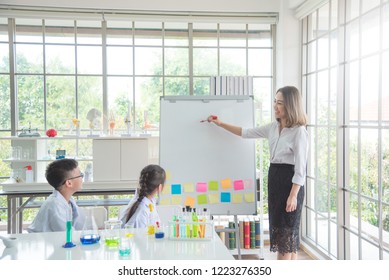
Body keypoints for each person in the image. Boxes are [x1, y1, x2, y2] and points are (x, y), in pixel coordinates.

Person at [207, 86, 308, 260]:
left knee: (286, 240)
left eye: (280, 103)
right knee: (287, 239)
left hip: (290, 186)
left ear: (291, 105)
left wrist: (293, 196)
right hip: (275, 183)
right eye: (275, 101)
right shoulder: (272, 127)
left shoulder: (299, 132)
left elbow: (300, 169)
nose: (276, 106)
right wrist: (221, 123)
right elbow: (245, 133)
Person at [27, 158, 85, 232]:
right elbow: (67, 233)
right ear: (69, 183)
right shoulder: (54, 205)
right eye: (80, 175)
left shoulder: (68, 200)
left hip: (53, 240)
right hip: (41, 241)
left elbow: (79, 225)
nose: (82, 178)